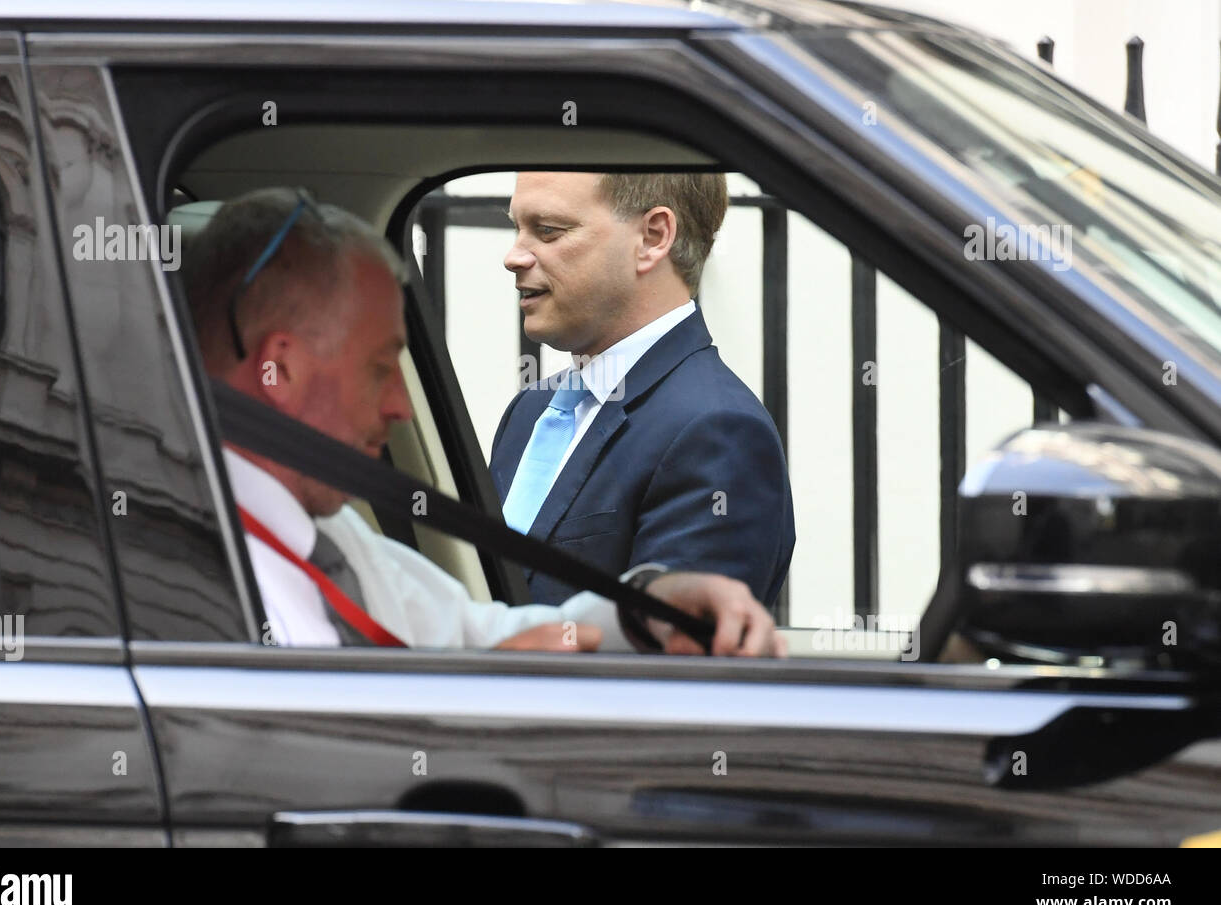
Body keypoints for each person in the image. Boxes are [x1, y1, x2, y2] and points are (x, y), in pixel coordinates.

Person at [181, 187, 786, 657]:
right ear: (278, 369)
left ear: (653, 237)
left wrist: (646, 606)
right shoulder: (165, 563)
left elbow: (487, 633)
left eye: (549, 229)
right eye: (377, 368)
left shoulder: (342, 542)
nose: (401, 407)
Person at [491, 172, 794, 606]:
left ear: (653, 237)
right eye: (516, 227)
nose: (514, 256)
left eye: (548, 231)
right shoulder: (531, 411)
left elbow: (672, 660)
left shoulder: (719, 432)